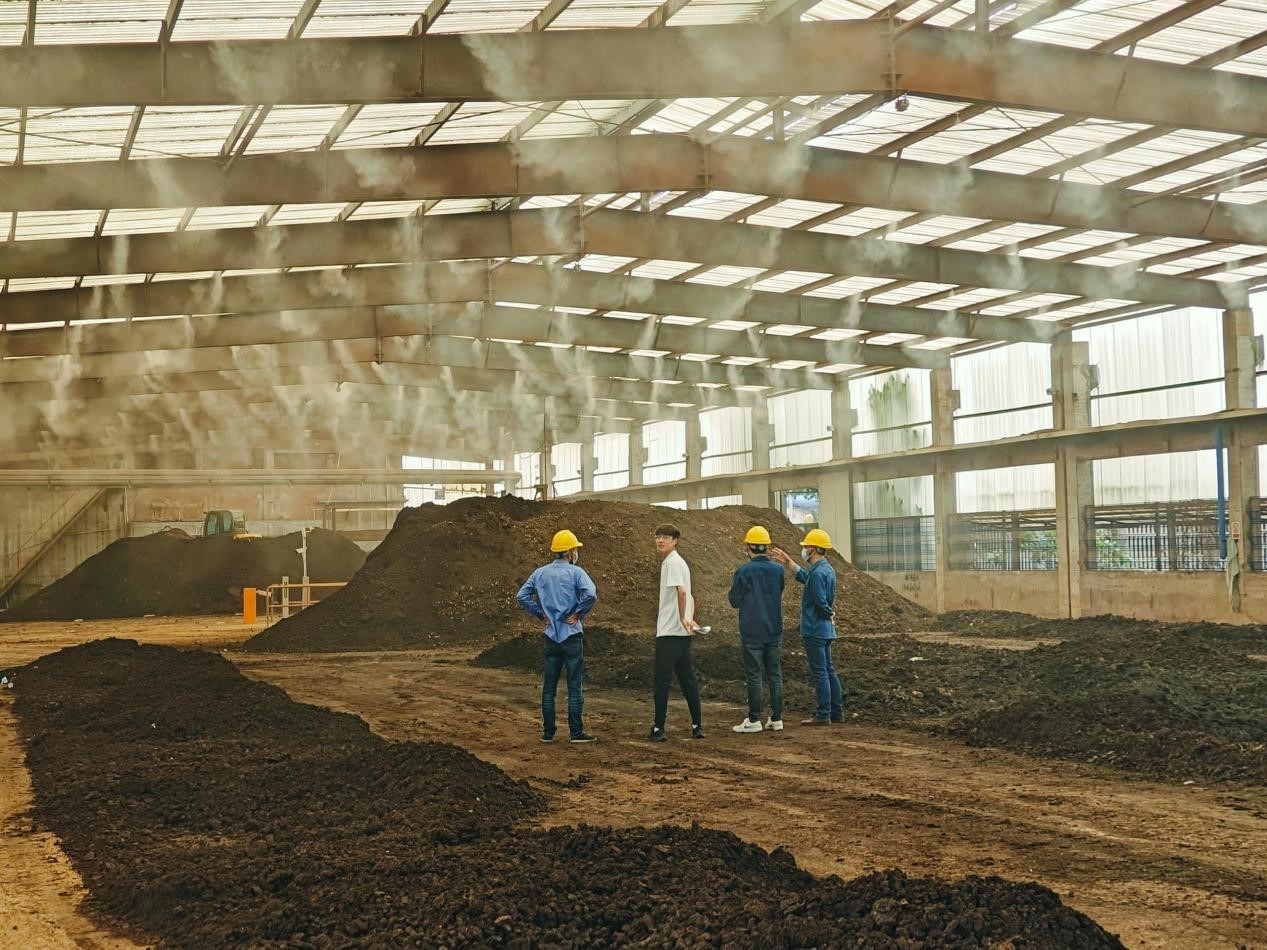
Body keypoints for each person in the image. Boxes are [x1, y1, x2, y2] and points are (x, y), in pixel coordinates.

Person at [516, 529, 598, 744]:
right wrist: (578, 612)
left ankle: (548, 732)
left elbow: (522, 595)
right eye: (575, 549)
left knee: (549, 687)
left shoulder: (540, 573)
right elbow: (591, 594)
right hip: (571, 636)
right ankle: (576, 732)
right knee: (574, 685)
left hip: (551, 635)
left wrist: (540, 614)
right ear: (570, 552)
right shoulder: (576, 573)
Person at [772, 528, 843, 726]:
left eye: (806, 547)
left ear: (814, 549)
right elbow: (808, 580)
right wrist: (789, 564)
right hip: (825, 630)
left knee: (820, 671)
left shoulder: (818, 573)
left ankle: (823, 714)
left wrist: (829, 613)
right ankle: (836, 711)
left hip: (815, 629)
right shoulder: (826, 570)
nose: (804, 550)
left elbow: (820, 601)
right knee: (829, 670)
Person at [648, 523, 705, 742]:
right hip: (681, 634)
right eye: (657, 536)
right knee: (687, 679)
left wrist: (683, 618)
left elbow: (682, 592)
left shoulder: (671, 564)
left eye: (665, 537)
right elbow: (690, 596)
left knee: (661, 682)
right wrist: (690, 618)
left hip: (669, 631)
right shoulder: (681, 563)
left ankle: (659, 728)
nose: (660, 540)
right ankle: (697, 725)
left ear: (675, 541)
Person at [727, 526, 786, 734]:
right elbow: (779, 591)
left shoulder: (744, 571)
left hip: (752, 630)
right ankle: (777, 718)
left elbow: (734, 601)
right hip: (774, 629)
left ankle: (754, 719)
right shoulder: (779, 570)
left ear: (749, 547)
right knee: (775, 674)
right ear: (767, 547)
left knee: (754, 675)